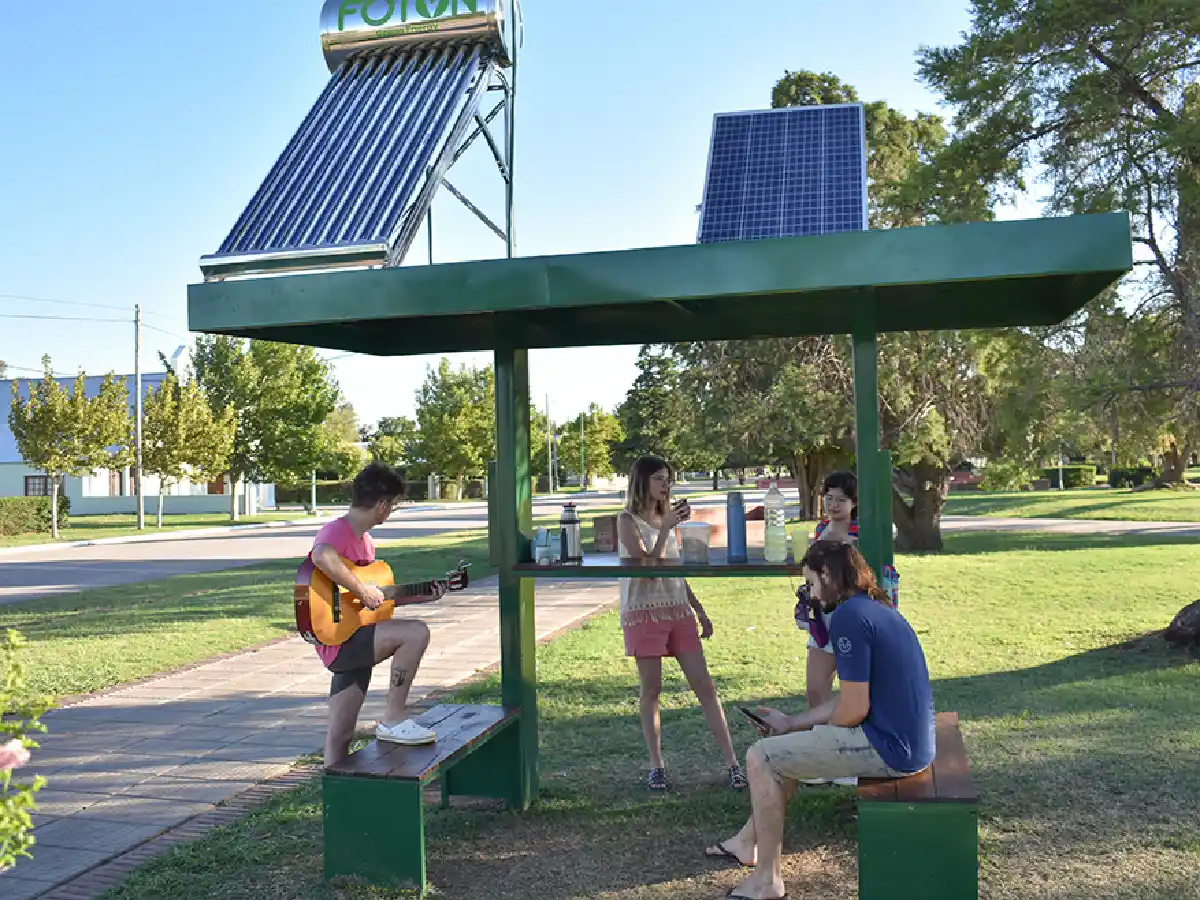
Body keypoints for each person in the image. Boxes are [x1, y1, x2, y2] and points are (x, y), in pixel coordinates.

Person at [705, 541, 935, 900]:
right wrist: (793, 724)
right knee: (782, 751)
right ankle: (748, 842)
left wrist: (811, 735)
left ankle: (767, 881)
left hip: (892, 749)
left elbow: (854, 708)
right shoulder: (874, 606)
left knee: (761, 756)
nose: (810, 594)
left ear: (827, 575)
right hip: (910, 743)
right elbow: (850, 699)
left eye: (811, 583)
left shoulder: (848, 617)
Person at [618, 455, 747, 792]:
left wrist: (698, 609)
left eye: (668, 479)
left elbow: (673, 568)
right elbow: (648, 569)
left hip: (677, 609)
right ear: (642, 481)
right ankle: (656, 766)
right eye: (659, 479)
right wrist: (665, 529)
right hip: (644, 612)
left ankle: (733, 764)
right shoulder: (627, 520)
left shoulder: (666, 519)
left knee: (705, 686)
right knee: (652, 690)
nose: (666, 485)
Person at [309, 462, 445, 766]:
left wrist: (421, 595)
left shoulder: (365, 542)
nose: (391, 511)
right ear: (382, 505)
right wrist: (361, 589)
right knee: (416, 633)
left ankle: (336, 792)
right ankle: (394, 718)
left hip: (357, 633)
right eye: (393, 505)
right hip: (340, 640)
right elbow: (321, 555)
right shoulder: (337, 531)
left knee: (340, 735)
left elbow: (373, 600)